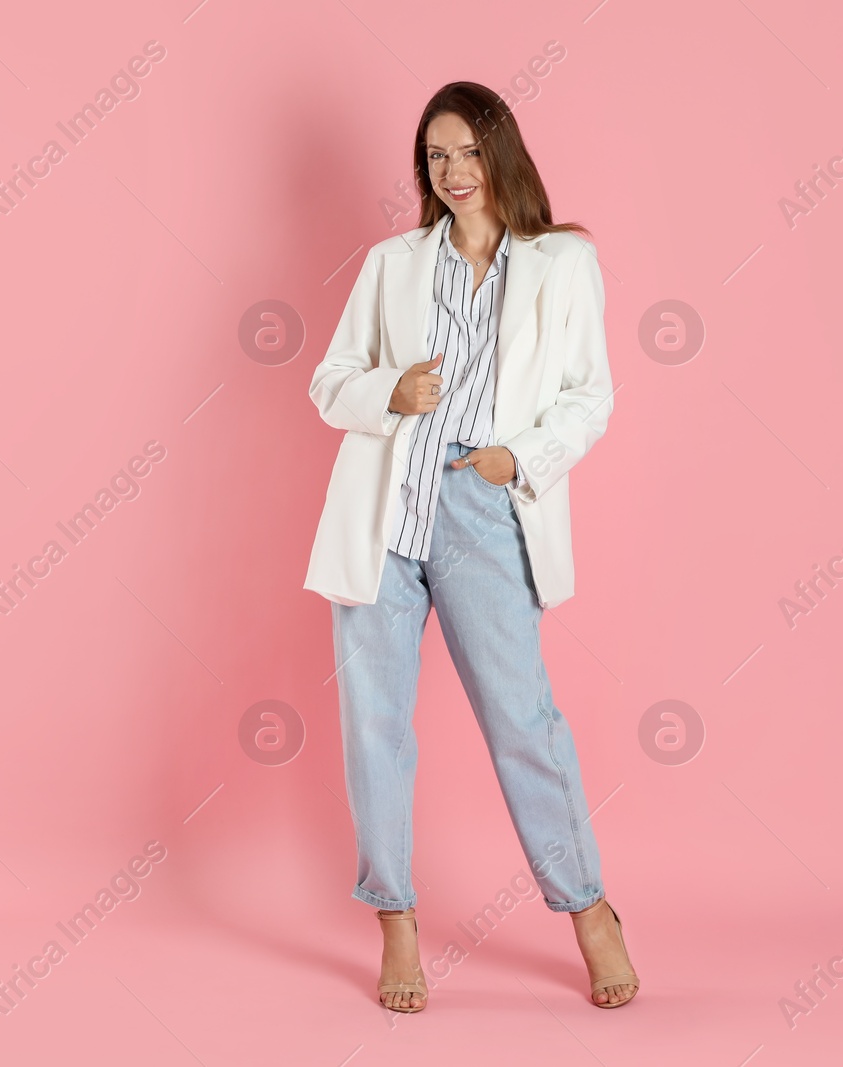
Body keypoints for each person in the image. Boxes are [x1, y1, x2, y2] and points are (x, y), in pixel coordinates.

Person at [304, 81, 636, 1012]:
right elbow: (331, 382)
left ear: (501, 151)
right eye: (435, 156)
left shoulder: (562, 261)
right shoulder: (391, 263)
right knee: (375, 726)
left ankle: (589, 908)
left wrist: (515, 458)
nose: (451, 172)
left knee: (523, 721)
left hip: (485, 503)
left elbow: (589, 395)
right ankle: (396, 921)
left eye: (466, 151)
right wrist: (387, 395)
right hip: (384, 515)